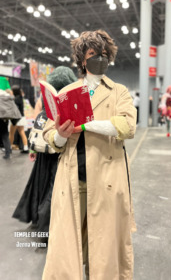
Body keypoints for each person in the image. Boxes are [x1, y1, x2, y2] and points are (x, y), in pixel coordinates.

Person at [42, 30, 137, 280]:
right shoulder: (67, 92)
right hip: (72, 181)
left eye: (104, 54)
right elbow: (50, 136)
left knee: (104, 248)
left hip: (107, 180)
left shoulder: (120, 92)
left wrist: (85, 124)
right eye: (93, 53)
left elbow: (128, 126)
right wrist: (62, 134)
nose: (100, 58)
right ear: (82, 59)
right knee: (68, 248)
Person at [12, 66, 77, 234]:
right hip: (61, 152)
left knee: (40, 186)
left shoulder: (45, 98)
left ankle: (39, 221)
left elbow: (38, 121)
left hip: (44, 151)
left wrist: (34, 148)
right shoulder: (72, 101)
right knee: (54, 188)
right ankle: (47, 227)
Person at [9, 85, 29, 153]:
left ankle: (9, 147)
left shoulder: (15, 99)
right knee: (22, 133)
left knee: (11, 133)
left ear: (14, 91)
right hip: (21, 118)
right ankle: (26, 148)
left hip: (16, 118)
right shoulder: (20, 97)